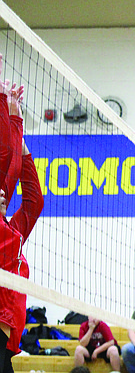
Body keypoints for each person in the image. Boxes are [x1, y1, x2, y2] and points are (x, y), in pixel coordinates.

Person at [0, 79, 44, 373]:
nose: (3, 193)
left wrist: (22, 141)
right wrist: (7, 107)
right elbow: (6, 162)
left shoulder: (11, 231)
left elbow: (34, 201)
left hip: (8, 339)